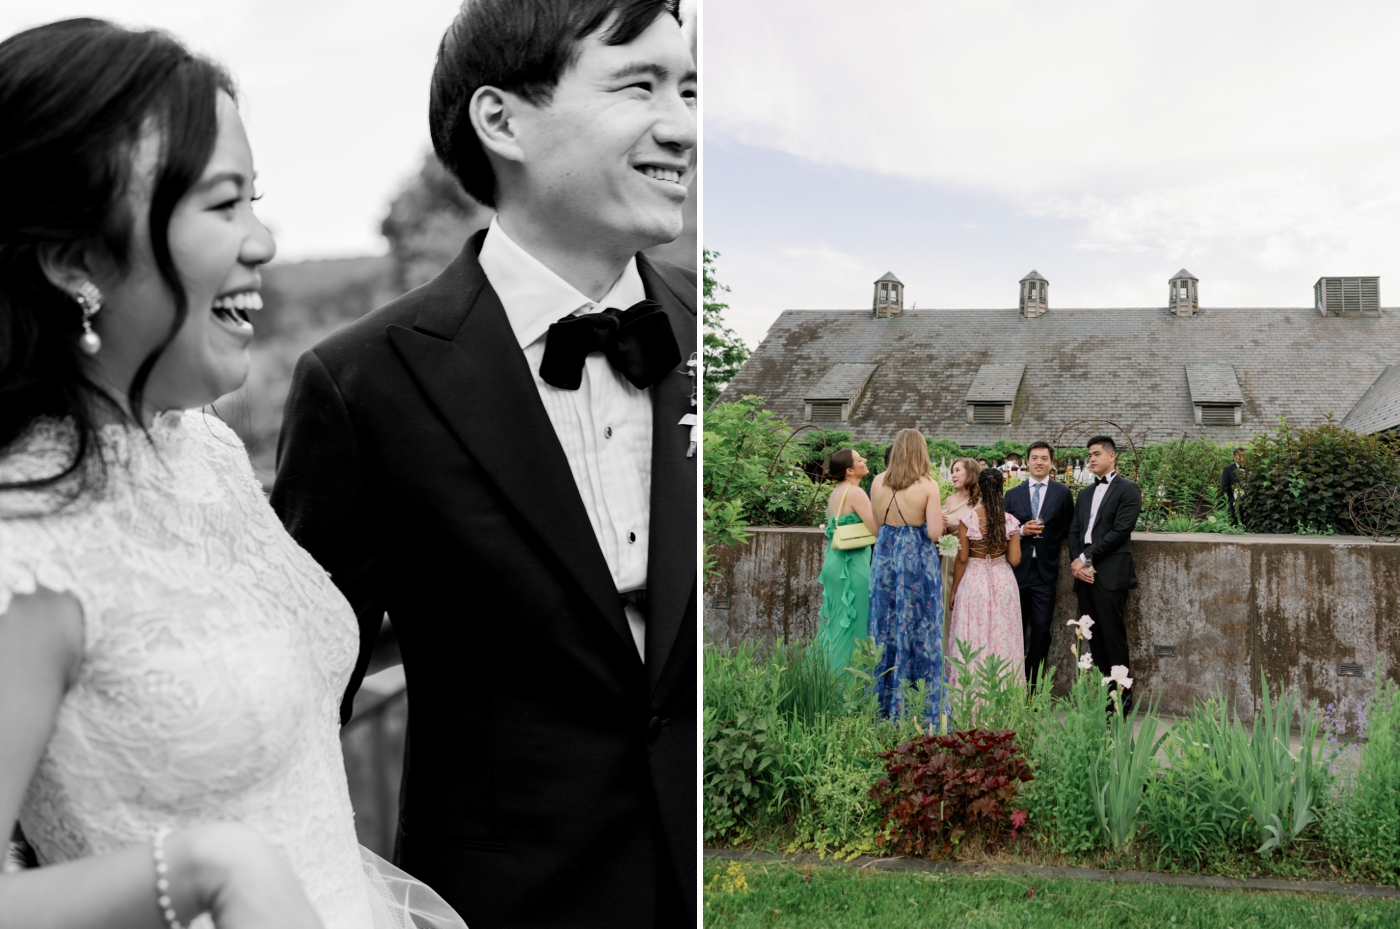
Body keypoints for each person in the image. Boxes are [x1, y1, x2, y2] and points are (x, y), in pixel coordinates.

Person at [0, 19, 463, 928]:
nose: (264, 241)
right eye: (223, 205)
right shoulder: (26, 550)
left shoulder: (202, 450)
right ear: (72, 260)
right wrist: (205, 867)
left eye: (257, 199)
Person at [270, 2, 696, 926]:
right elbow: (297, 722)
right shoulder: (361, 384)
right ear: (502, 121)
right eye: (639, 85)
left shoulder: (724, 345)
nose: (684, 126)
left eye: (690, 88)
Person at [868, 429, 946, 722]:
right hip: (916, 561)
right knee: (919, 628)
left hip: (885, 557)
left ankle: (882, 705)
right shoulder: (928, 485)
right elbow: (934, 532)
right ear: (921, 451)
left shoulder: (877, 481)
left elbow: (877, 526)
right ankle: (918, 707)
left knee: (885, 625)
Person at [1068, 435, 1142, 710]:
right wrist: (1080, 563)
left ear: (1112, 456)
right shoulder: (1085, 493)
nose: (1092, 458)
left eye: (1097, 453)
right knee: (1093, 639)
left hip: (1110, 574)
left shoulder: (1128, 489)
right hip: (1085, 572)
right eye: (1089, 454)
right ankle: (1104, 697)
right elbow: (1075, 530)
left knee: (1113, 637)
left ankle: (1122, 703)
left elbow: (1120, 532)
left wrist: (1086, 558)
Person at [1004, 441, 1074, 688]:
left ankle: (1033, 687)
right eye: (1034, 458)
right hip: (1017, 569)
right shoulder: (1012, 495)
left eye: (1044, 458)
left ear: (1051, 463)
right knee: (1015, 630)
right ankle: (1013, 685)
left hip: (1046, 572)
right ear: (1027, 462)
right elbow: (1002, 528)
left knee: (1042, 630)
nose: (1039, 462)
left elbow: (1068, 527)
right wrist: (1022, 530)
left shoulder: (1062, 493)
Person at [947, 469, 1023, 683]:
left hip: (974, 581)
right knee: (1003, 636)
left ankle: (969, 695)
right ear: (1001, 488)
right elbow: (1015, 559)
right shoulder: (1009, 521)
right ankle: (1004, 693)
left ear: (978, 487)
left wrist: (954, 590)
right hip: (1003, 581)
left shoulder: (969, 519)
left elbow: (962, 558)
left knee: (971, 635)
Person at [816, 449, 876, 671]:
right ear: (850, 470)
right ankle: (845, 689)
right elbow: (875, 528)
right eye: (860, 459)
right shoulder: (856, 493)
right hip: (852, 565)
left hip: (834, 563)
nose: (865, 460)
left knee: (837, 626)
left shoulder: (836, 493)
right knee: (854, 628)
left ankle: (825, 679)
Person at [1221, 446, 1246, 525]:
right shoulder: (1228, 469)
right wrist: (1230, 502)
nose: (1243, 458)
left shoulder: (1250, 469)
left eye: (1245, 456)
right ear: (1235, 457)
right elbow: (1225, 487)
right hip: (1234, 504)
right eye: (1240, 456)